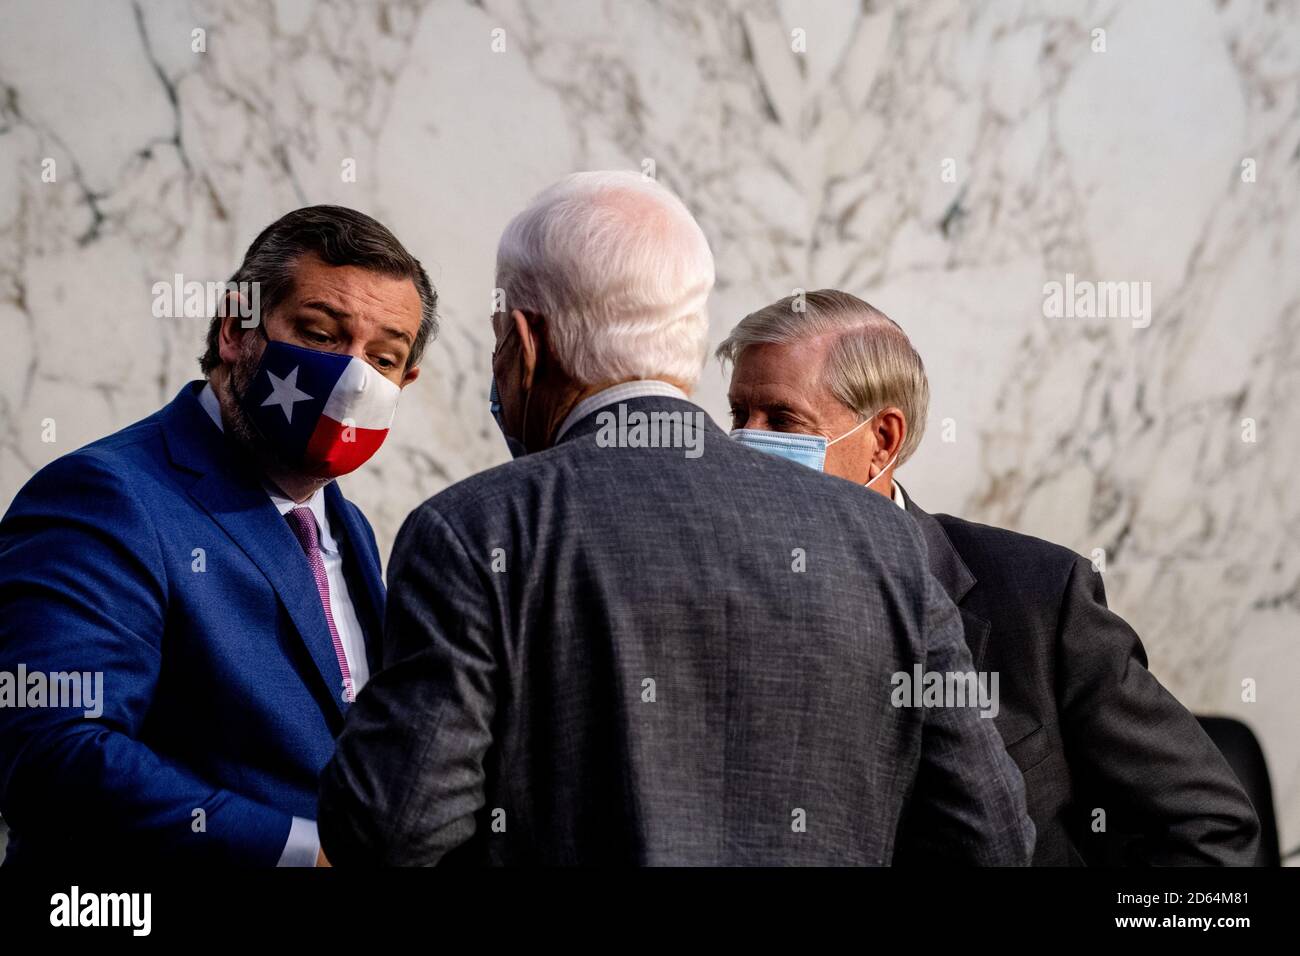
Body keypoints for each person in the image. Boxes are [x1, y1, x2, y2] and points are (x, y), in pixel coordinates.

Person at [317, 173, 1034, 866]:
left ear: (526, 344)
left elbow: (392, 833)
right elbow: (991, 838)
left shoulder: (475, 532)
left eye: (500, 343)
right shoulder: (887, 544)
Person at [717, 288, 1261, 865]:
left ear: (882, 442)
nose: (747, 443)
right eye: (738, 416)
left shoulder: (1039, 600)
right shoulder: (710, 591)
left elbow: (1210, 830)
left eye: (782, 420)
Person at [0, 205, 436, 865]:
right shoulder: (106, 496)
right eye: (320, 335)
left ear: (407, 382)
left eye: (383, 357)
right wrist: (300, 853)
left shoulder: (345, 525)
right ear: (237, 328)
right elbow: (52, 749)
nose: (352, 378)